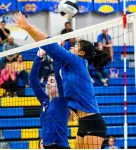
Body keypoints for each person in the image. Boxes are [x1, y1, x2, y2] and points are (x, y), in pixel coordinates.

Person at [14, 12, 112, 149]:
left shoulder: (78, 62)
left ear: (82, 53)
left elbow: (50, 45)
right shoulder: (67, 68)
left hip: (93, 121)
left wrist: (28, 28)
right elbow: (55, 57)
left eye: (75, 46)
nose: (71, 47)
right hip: (82, 122)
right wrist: (43, 54)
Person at [30, 49, 70, 149]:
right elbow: (33, 80)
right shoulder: (44, 101)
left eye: (51, 81)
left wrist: (55, 52)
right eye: (47, 81)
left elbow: (58, 75)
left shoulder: (62, 100)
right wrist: (39, 56)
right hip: (47, 146)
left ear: (58, 86)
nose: (47, 83)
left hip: (61, 146)